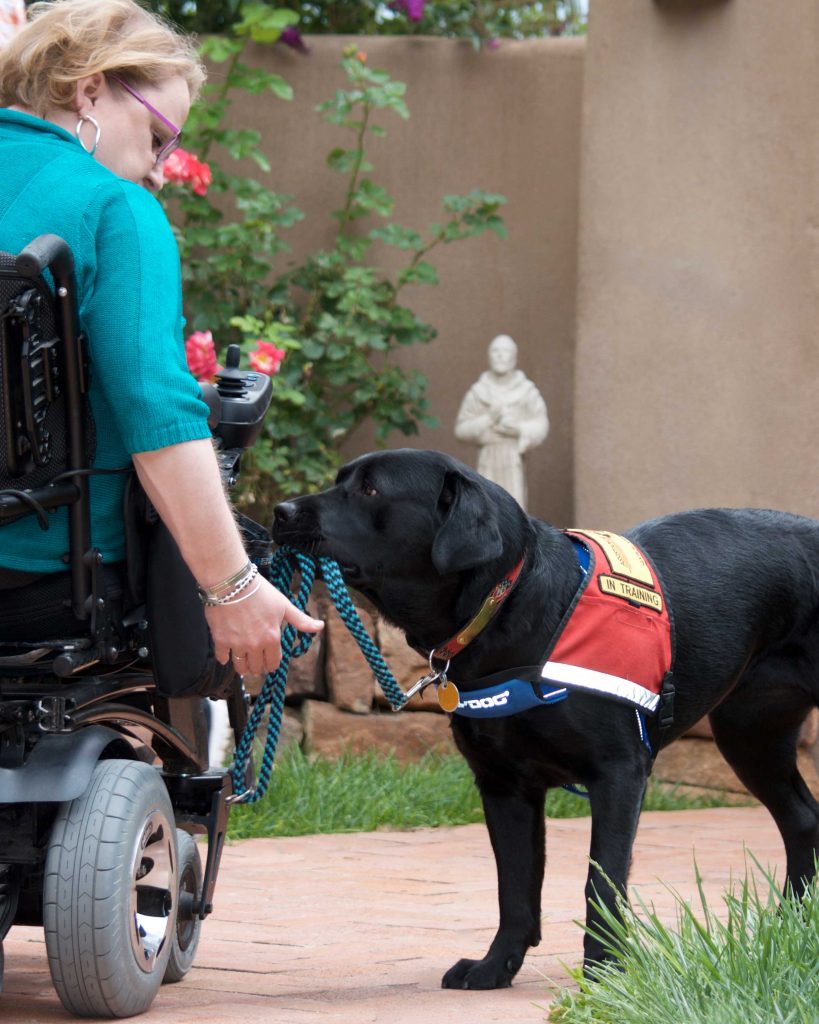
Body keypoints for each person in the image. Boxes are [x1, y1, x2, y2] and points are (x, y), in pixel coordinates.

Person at [0, 0, 322, 678]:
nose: (158, 170)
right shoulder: (112, 207)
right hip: (40, 586)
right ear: (90, 87)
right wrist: (230, 587)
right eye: (156, 137)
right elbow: (155, 413)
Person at [454, 334, 549, 510]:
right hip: (487, 459)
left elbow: (541, 423)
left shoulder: (526, 391)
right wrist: (489, 418)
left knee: (514, 509)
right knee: (487, 507)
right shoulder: (478, 392)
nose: (500, 355)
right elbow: (461, 429)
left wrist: (519, 430)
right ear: (489, 356)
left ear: (514, 357)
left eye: (505, 351)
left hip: (512, 459)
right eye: (495, 351)